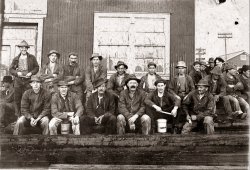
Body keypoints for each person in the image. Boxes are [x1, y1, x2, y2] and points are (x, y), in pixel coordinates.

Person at [9, 40, 39, 116]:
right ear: (19, 48)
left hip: (28, 81)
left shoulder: (32, 58)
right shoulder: (16, 58)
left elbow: (36, 67)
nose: (23, 49)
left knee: (28, 98)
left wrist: (31, 73)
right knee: (17, 99)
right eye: (22, 48)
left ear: (27, 48)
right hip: (18, 81)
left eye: (25, 48)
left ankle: (27, 116)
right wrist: (17, 73)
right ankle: (18, 116)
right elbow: (11, 69)